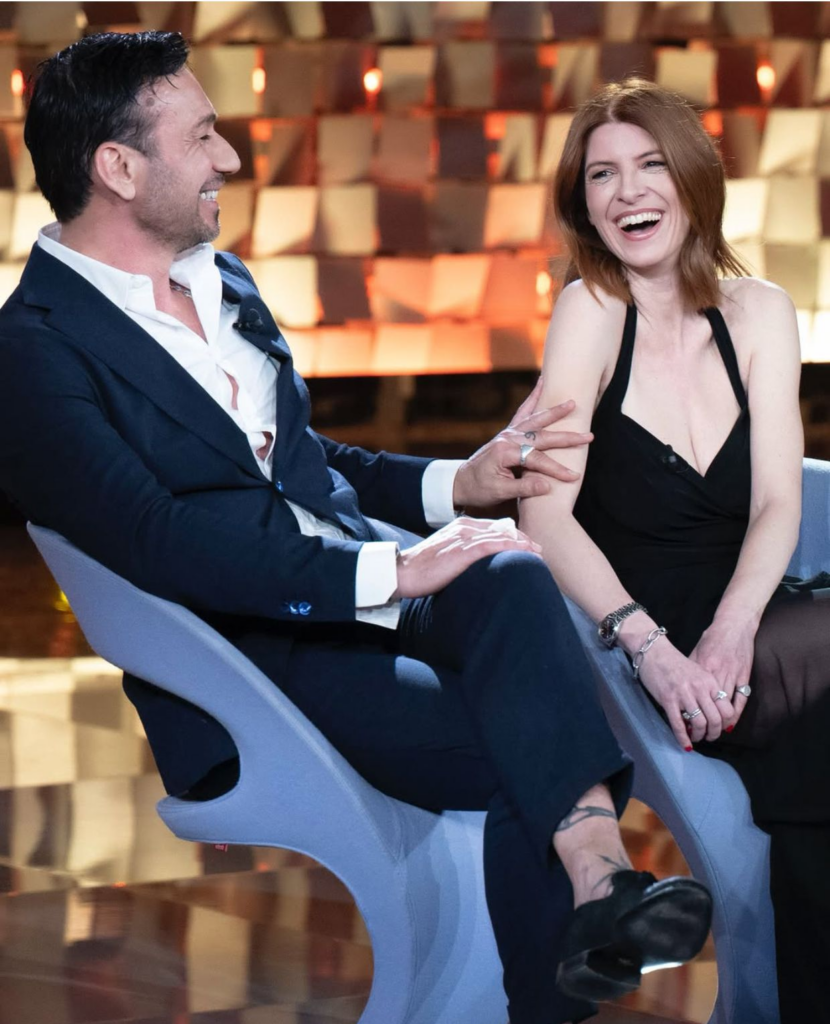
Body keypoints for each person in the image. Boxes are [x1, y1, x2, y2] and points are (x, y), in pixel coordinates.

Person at [0, 36, 714, 1024]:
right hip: (254, 658)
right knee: (533, 737)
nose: (229, 158)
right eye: (202, 136)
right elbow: (158, 538)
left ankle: (600, 884)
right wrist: (386, 573)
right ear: (117, 168)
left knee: (510, 572)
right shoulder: (32, 350)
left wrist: (457, 486)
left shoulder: (221, 278)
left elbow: (299, 459)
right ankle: (587, 902)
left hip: (355, 587)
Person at [519, 77, 830, 1023]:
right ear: (583, 203)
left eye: (650, 163)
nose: (627, 192)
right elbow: (545, 518)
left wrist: (736, 630)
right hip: (641, 628)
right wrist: (652, 648)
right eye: (602, 175)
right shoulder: (590, 310)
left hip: (753, 619)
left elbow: (777, 501)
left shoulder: (761, 311)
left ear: (693, 176)